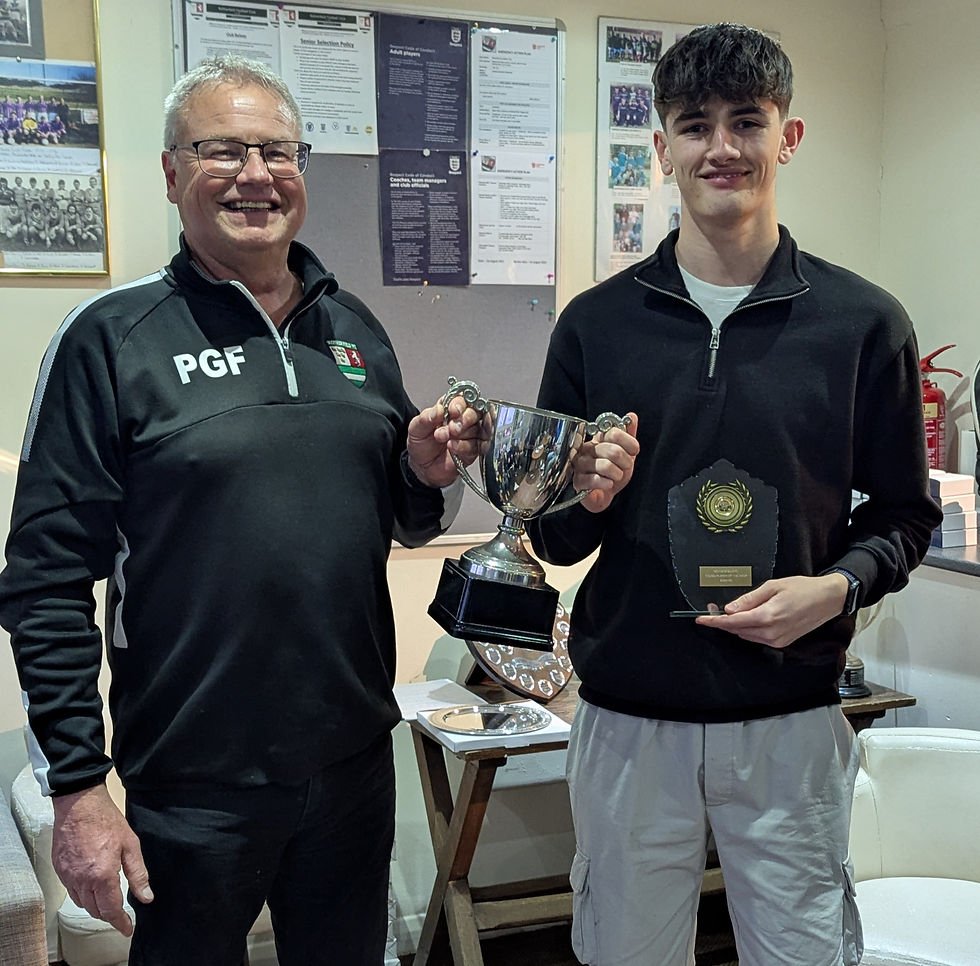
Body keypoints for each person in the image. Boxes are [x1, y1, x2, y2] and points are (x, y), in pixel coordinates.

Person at [0, 54, 479, 966]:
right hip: (191, 784)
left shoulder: (356, 332)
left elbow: (409, 521)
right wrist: (78, 789)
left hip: (351, 765)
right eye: (222, 150)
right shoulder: (110, 340)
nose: (255, 175)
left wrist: (420, 473)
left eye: (277, 151)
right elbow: (48, 581)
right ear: (174, 173)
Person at [526, 23, 941, 966]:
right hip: (631, 720)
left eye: (746, 122)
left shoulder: (864, 323)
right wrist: (585, 497)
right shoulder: (595, 326)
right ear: (661, 147)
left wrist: (833, 590)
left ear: (785, 138)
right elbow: (549, 539)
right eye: (695, 124)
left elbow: (906, 515)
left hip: (790, 720)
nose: (722, 147)